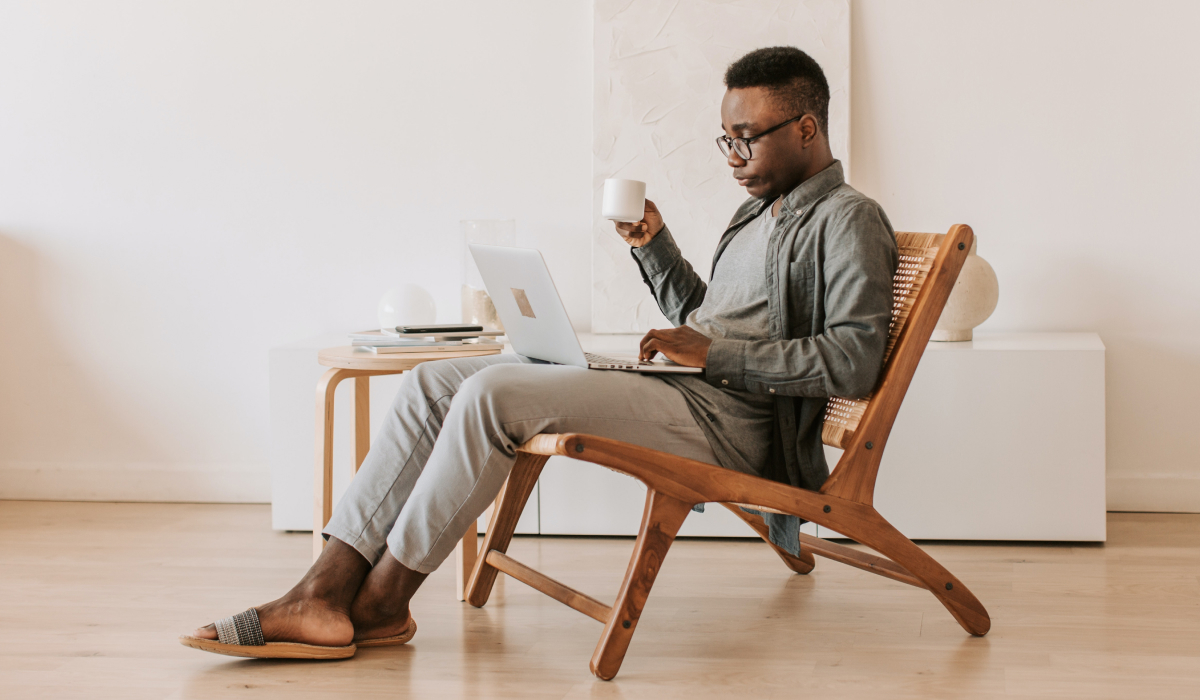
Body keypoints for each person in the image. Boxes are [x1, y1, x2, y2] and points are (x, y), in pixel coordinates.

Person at [181, 46, 897, 658]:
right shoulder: (756, 212)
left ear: (806, 127)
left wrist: (710, 356)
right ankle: (322, 588)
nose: (734, 156)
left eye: (748, 137)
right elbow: (704, 318)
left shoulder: (849, 219)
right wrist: (654, 248)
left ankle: (384, 601)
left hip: (736, 425)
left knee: (495, 397)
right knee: (436, 384)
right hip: (690, 391)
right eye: (726, 139)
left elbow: (853, 361)